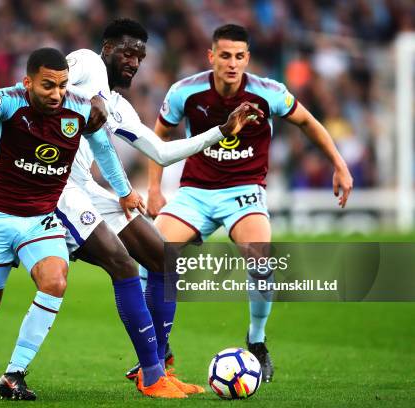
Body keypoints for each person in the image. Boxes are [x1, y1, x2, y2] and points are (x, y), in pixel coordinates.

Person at [56, 18, 263, 397]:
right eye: (127, 52)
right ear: (106, 48)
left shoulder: (119, 107)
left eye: (140, 56)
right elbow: (54, 82)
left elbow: (162, 152)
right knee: (123, 265)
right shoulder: (84, 62)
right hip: (56, 188)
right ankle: (152, 376)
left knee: (165, 260)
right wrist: (90, 98)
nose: (134, 62)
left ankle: (156, 366)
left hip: (90, 189)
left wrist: (222, 131)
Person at [145, 24, 354, 382]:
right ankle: (157, 349)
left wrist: (339, 164)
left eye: (239, 56)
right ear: (211, 56)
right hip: (195, 191)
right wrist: (153, 188)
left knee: (260, 256)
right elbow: (157, 136)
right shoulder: (186, 91)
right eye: (224, 55)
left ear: (248, 58)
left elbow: (307, 121)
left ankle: (256, 340)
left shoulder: (268, 92)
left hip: (244, 191)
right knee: (150, 252)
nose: (232, 63)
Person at [0, 47, 140, 401]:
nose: (57, 93)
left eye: (61, 85)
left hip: (40, 221)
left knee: (55, 281)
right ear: (28, 82)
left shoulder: (79, 109)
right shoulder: (10, 100)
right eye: (48, 86)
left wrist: (123, 192)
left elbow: (104, 150)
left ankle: (13, 375)